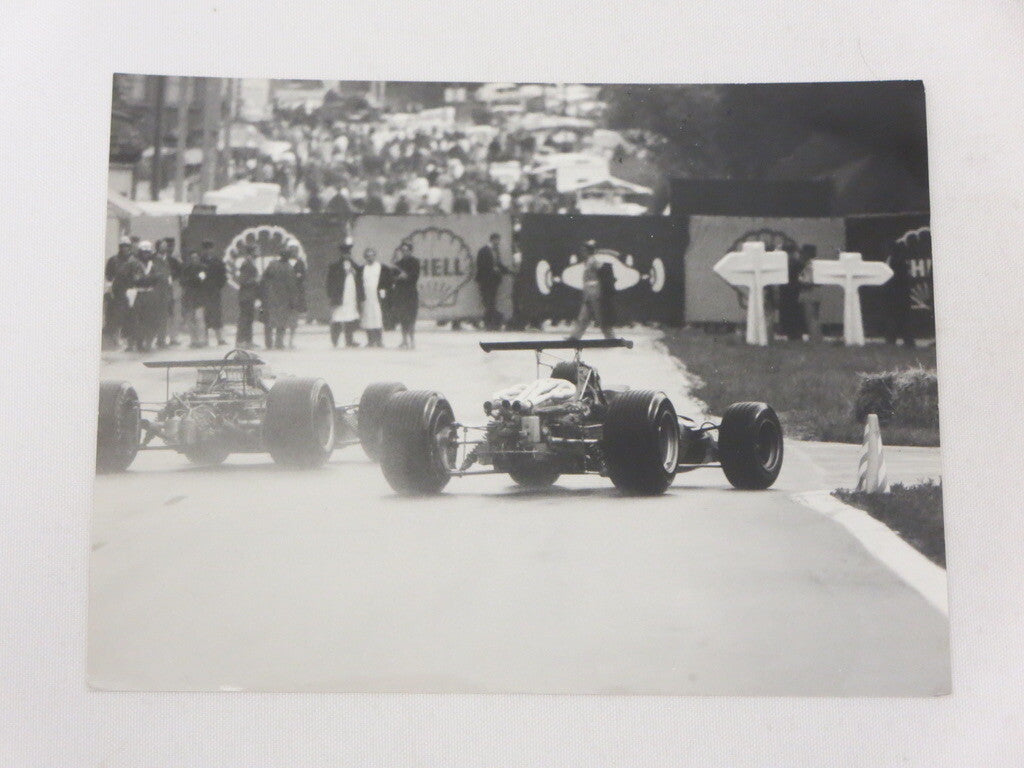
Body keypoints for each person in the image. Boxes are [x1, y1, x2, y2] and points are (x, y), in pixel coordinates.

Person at [567, 240, 614, 340]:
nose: (582, 252)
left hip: (594, 292)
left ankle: (610, 337)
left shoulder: (593, 261)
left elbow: (602, 269)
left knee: (600, 316)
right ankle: (575, 337)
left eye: (584, 250)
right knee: (584, 317)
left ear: (587, 251)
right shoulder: (589, 261)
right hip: (589, 293)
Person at [326, 245, 364, 348]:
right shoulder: (335, 267)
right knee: (337, 318)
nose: (346, 255)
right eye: (344, 254)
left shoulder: (355, 267)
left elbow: (360, 281)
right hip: (340, 297)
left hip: (351, 296)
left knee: (350, 318)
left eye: (348, 253)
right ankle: (335, 340)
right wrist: (331, 296)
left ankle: (349, 340)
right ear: (341, 254)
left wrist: (354, 273)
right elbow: (330, 283)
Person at [260, 249, 297, 350]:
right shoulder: (289, 269)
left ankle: (268, 343)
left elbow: (263, 279)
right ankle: (279, 342)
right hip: (284, 298)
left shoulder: (272, 265)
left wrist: (263, 294)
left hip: (270, 297)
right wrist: (293, 301)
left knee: (268, 321)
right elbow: (292, 286)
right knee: (282, 321)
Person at [103, 236, 134, 349]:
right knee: (115, 317)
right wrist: (110, 288)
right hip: (117, 293)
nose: (125, 249)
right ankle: (115, 340)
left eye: (127, 246)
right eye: (123, 246)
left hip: (130, 292)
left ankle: (128, 341)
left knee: (129, 317)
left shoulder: (133, 260)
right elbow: (108, 276)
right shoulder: (113, 260)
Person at [390, 241, 421, 349]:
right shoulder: (398, 264)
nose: (404, 252)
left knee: (411, 317)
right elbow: (392, 278)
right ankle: (404, 340)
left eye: (407, 250)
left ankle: (412, 340)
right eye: (403, 250)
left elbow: (414, 277)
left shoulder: (415, 262)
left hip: (411, 293)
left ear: (411, 251)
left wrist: (406, 277)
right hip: (400, 293)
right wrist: (399, 277)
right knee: (403, 318)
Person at [359, 247, 391, 347]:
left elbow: (388, 281)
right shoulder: (362, 268)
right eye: (368, 256)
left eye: (372, 255)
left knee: (378, 318)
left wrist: (384, 291)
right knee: (368, 318)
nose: (370, 258)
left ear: (375, 256)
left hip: (377, 298)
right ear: (365, 257)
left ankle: (379, 340)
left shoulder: (381, 267)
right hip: (367, 297)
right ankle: (370, 340)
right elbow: (359, 283)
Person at [475, 232, 507, 330]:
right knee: (488, 301)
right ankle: (489, 322)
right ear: (493, 239)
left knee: (491, 301)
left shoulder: (496, 251)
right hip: (485, 280)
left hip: (494, 281)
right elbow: (481, 265)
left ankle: (489, 322)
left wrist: (507, 271)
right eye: (497, 240)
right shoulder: (483, 251)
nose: (498, 242)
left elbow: (498, 264)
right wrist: (492, 270)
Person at [199, 239, 227, 346]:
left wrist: (218, 287)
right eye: (206, 249)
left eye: (210, 248)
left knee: (217, 315)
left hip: (215, 291)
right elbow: (198, 276)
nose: (208, 251)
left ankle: (220, 339)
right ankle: (205, 339)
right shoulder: (200, 261)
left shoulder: (218, 262)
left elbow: (223, 277)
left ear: (213, 249)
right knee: (205, 315)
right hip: (204, 292)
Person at [179, 250, 208, 348]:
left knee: (199, 318)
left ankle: (202, 340)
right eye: (192, 258)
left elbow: (202, 280)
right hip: (189, 297)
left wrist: (191, 280)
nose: (194, 260)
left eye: (196, 258)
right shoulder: (186, 269)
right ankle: (193, 340)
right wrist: (192, 280)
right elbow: (182, 281)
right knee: (190, 319)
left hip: (200, 297)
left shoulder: (203, 268)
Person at [235, 244, 260, 349]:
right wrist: (255, 280)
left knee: (249, 318)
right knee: (244, 318)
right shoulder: (247, 264)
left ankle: (248, 341)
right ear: (252, 251)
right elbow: (242, 280)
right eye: (257, 250)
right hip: (246, 295)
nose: (259, 252)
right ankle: (240, 341)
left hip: (250, 295)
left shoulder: (251, 262)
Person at [287, 247, 307, 349]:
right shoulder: (287, 263)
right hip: (289, 295)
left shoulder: (299, 263)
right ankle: (285, 341)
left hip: (294, 295)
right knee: (290, 318)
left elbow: (302, 277)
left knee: (293, 318)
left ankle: (290, 340)